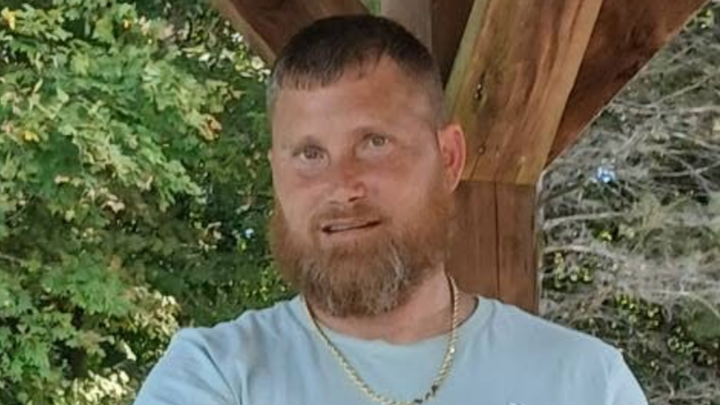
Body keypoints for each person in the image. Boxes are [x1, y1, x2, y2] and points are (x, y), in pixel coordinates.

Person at [133, 15, 649, 405]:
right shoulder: (214, 376)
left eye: (374, 143)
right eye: (309, 154)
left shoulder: (584, 383)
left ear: (449, 158)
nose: (342, 187)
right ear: (276, 173)